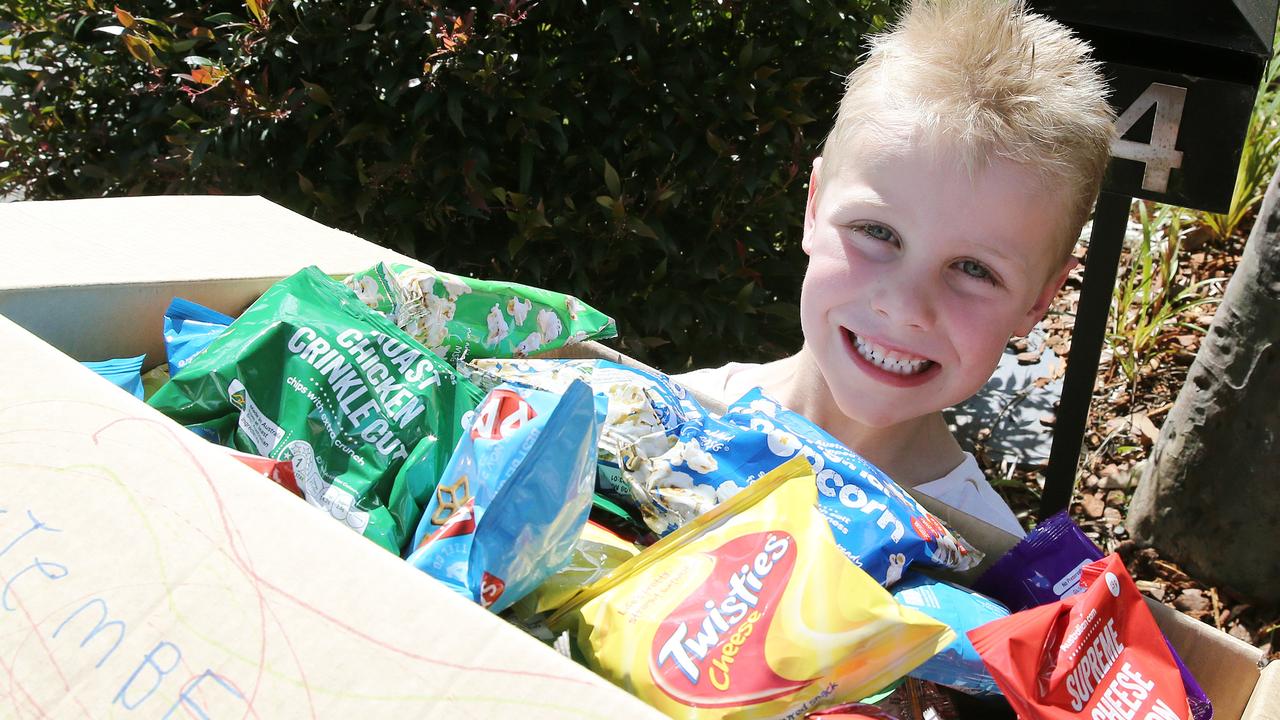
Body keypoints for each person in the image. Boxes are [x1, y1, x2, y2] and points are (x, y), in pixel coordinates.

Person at [674, 0, 1115, 537]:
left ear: (1039, 301)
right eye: (878, 233)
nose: (905, 307)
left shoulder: (988, 570)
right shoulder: (660, 416)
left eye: (975, 270)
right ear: (813, 209)